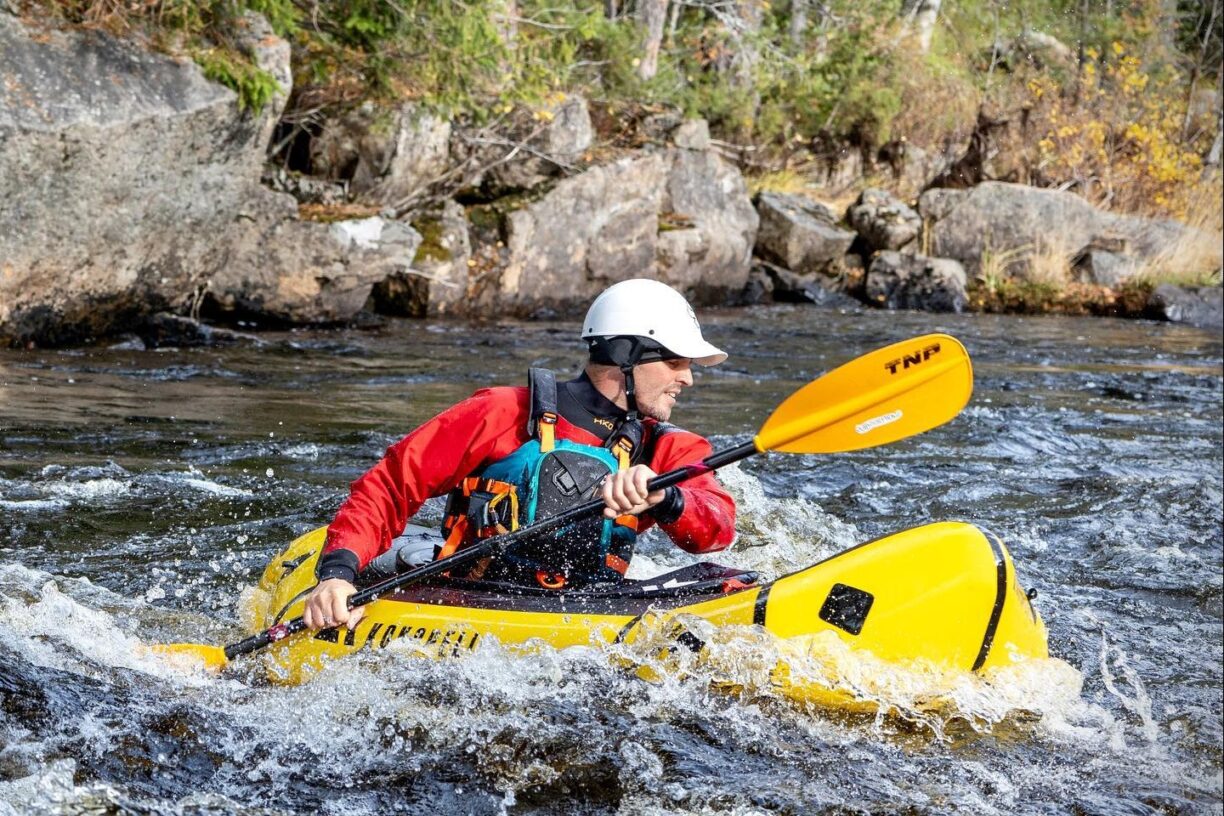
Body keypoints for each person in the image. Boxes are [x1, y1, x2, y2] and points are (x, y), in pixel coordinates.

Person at [303, 278, 737, 631]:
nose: (688, 380)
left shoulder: (668, 447)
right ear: (628, 356)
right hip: (471, 601)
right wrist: (338, 574)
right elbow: (392, 485)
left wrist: (668, 499)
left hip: (590, 607)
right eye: (677, 362)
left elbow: (716, 528)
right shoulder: (501, 412)